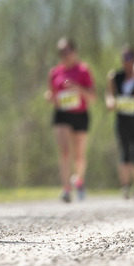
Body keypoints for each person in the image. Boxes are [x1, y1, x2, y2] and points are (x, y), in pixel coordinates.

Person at [46, 37, 96, 202]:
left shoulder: (83, 70)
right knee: (65, 151)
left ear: (74, 51)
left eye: (67, 51)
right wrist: (50, 97)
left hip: (80, 114)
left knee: (79, 155)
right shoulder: (55, 73)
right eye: (61, 52)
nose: (64, 55)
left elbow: (93, 97)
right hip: (62, 114)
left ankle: (79, 180)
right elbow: (51, 94)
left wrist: (78, 88)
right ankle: (66, 189)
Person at [105, 46, 134, 201]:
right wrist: (110, 102)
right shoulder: (115, 76)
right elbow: (109, 94)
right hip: (122, 121)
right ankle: (125, 187)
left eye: (130, 58)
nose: (127, 61)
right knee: (124, 154)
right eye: (125, 58)